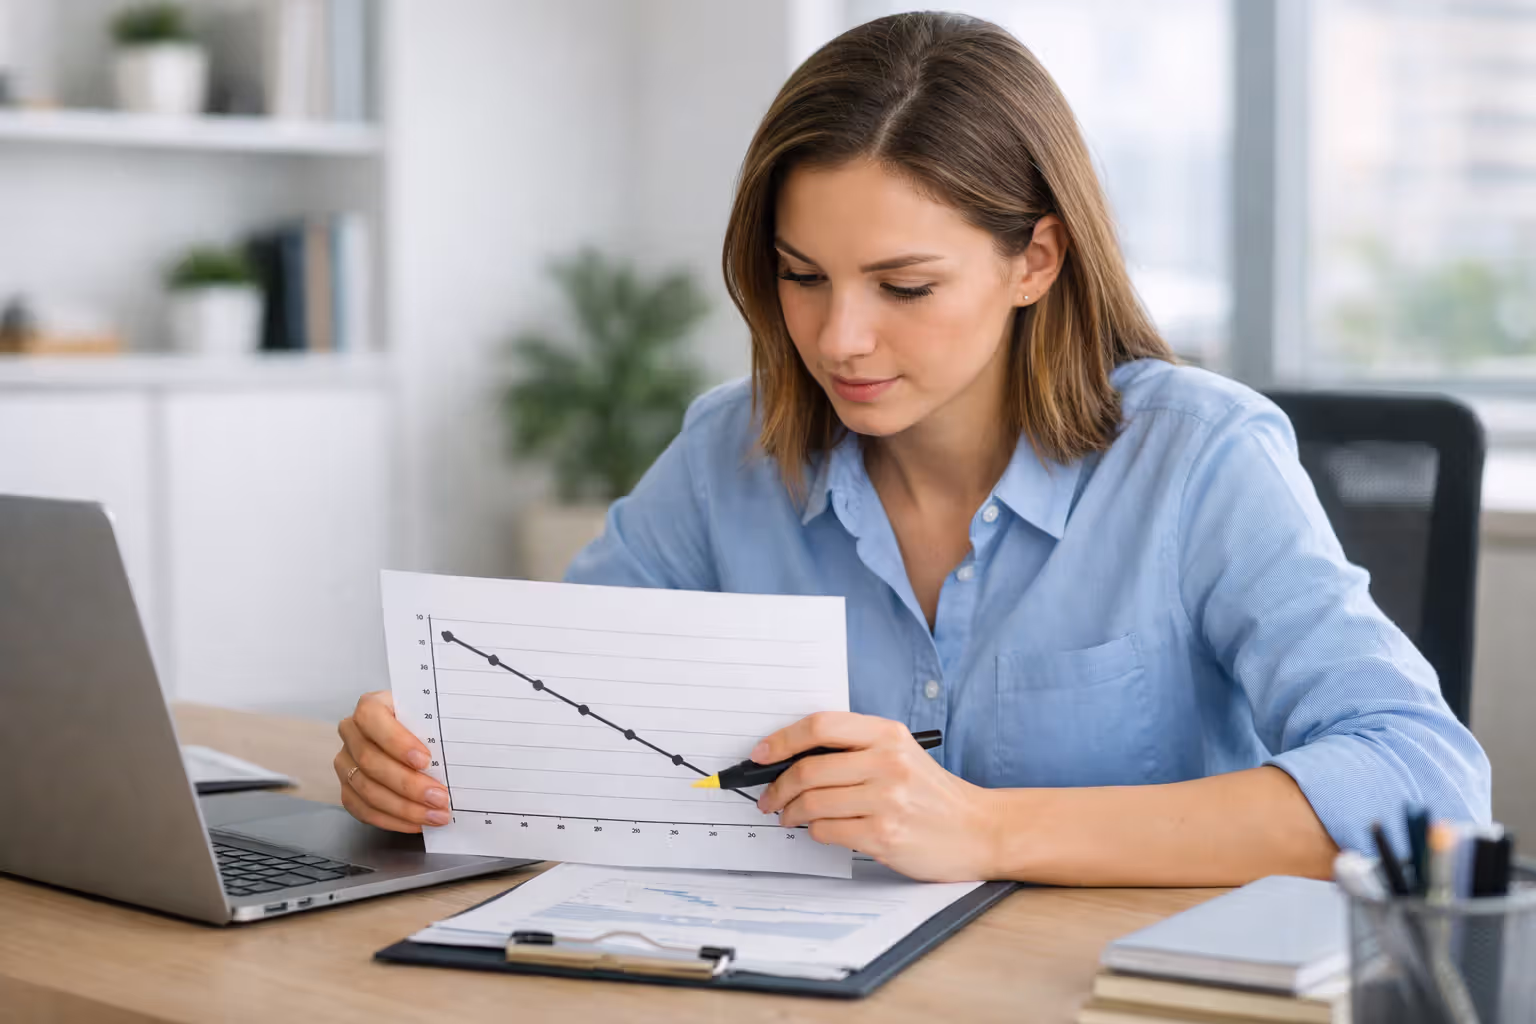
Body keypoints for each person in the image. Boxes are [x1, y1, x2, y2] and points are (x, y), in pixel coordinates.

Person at [335, 12, 1489, 885]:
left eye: (904, 285)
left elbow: (1428, 785)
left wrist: (980, 824)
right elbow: (545, 715)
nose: (840, 338)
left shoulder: (1200, 460)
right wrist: (424, 761)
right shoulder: (727, 453)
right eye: (801, 277)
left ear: (1035, 260)